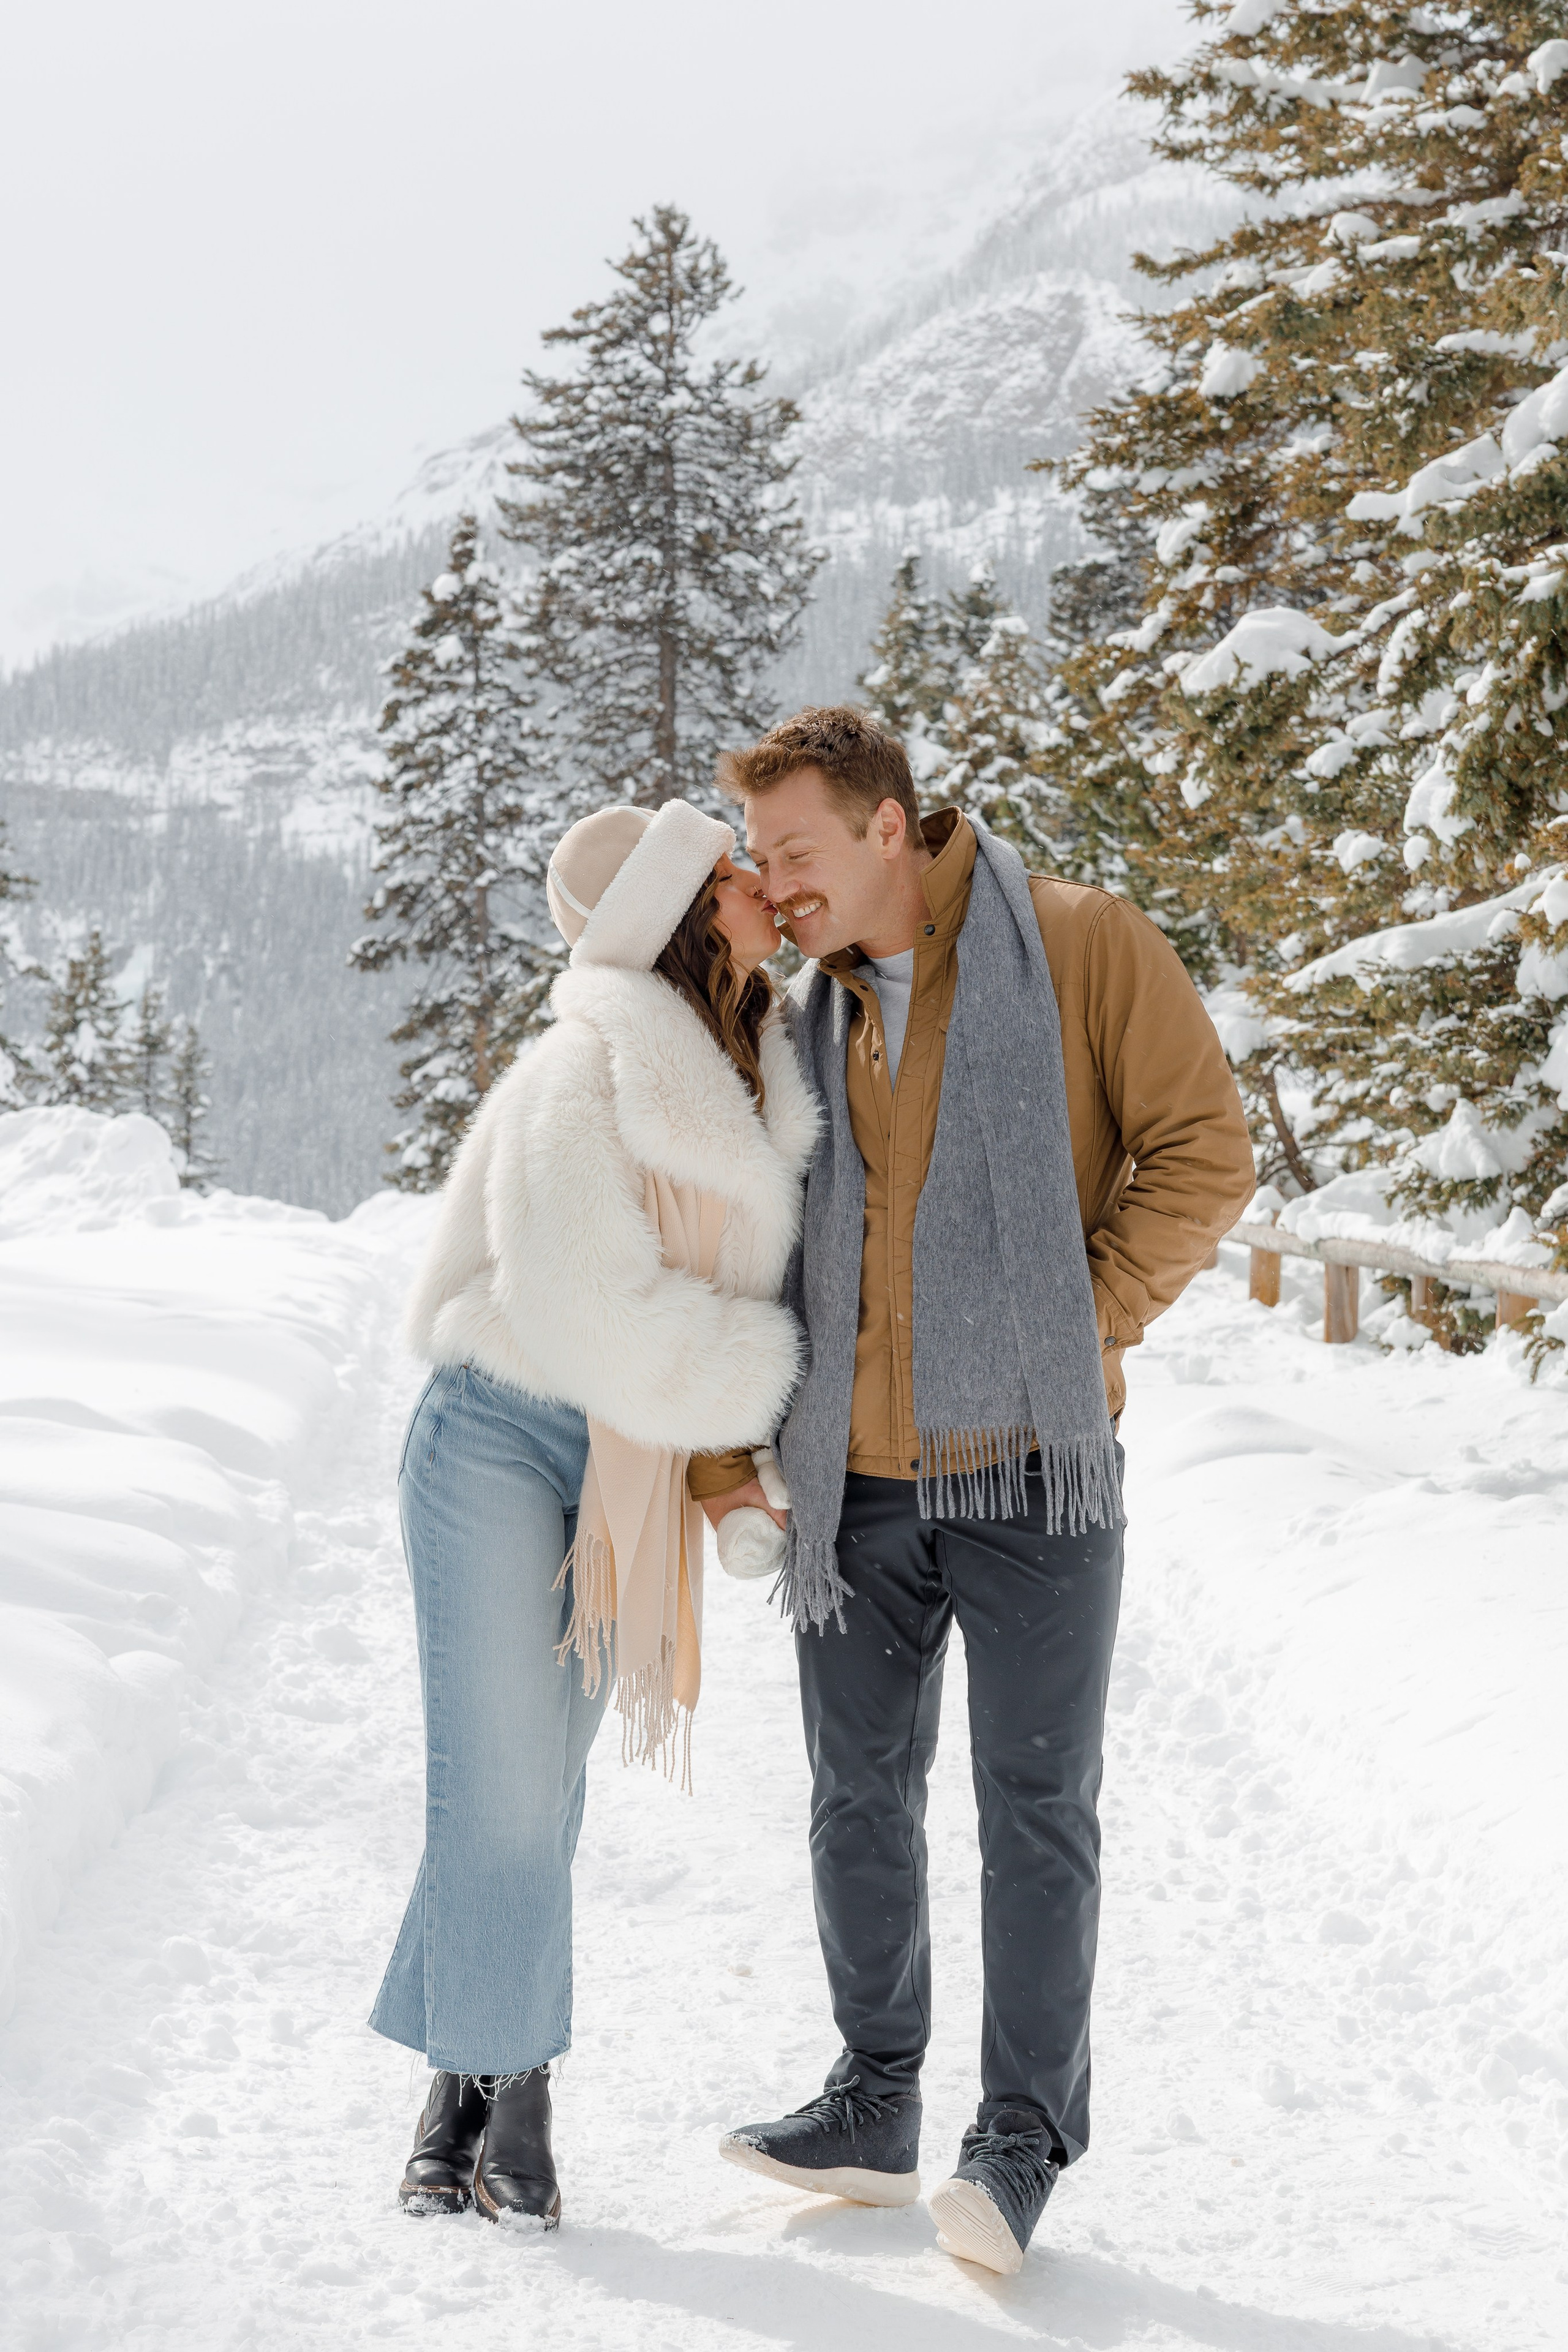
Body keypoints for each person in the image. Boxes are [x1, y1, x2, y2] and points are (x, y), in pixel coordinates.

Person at [700, 707, 1255, 2275]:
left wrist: (1071, 1330)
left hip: (1033, 1472)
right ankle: (874, 2099)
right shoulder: (794, 1008)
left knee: (1032, 1808)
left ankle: (1017, 2136)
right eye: (759, 859)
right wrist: (739, 932)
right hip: (851, 1481)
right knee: (854, 1799)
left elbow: (1201, 1150)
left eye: (795, 851)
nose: (777, 881)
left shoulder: (1074, 945)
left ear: (888, 827)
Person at [369, 796, 816, 2228]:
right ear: (689, 913)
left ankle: (459, 2084)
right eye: (734, 871)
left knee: (535, 1791)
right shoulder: (588, 1066)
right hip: (502, 1430)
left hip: (628, 1455)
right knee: (501, 1788)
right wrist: (761, 1387)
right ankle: (522, 2083)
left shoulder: (763, 1060)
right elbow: (589, 1311)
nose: (762, 883)